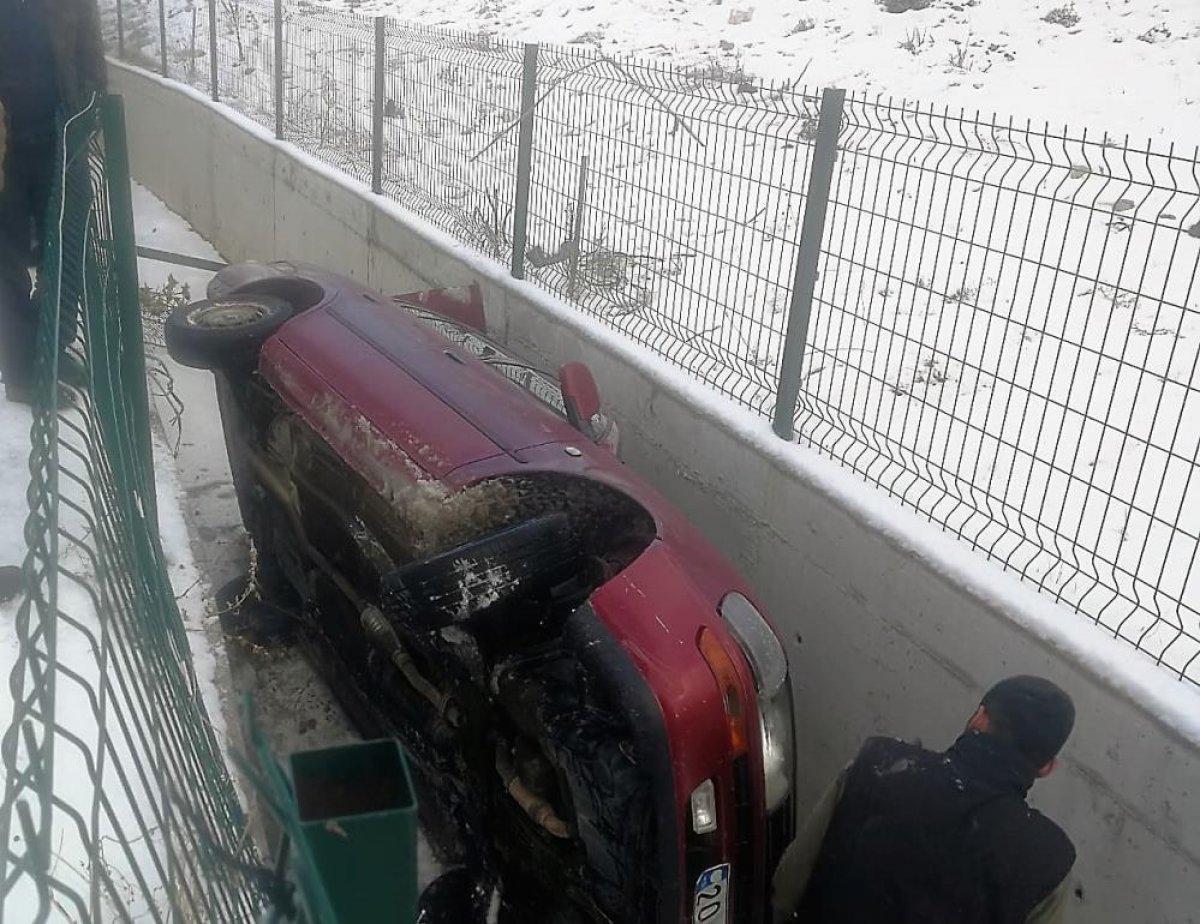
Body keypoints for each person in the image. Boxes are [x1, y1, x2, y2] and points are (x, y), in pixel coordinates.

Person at [773, 675, 1077, 924]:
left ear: (979, 718)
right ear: (1046, 767)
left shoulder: (879, 766)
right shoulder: (1046, 860)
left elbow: (788, 883)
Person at [0, 0, 107, 404]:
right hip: (2, 146)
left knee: (66, 246)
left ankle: (53, 347)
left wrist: (91, 108)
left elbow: (89, 49)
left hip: (61, 137)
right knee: (6, 261)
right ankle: (22, 374)